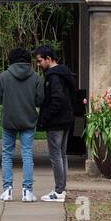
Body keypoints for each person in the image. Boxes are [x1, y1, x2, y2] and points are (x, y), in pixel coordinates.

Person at [0, 46, 44, 202]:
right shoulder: (36, 78)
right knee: (27, 154)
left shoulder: (4, 76)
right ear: (28, 61)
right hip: (28, 120)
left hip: (8, 120)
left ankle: (7, 190)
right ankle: (27, 191)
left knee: (7, 155)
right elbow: (40, 100)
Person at [34, 45, 77, 202]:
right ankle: (61, 189)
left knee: (56, 156)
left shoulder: (53, 77)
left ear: (49, 59)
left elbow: (57, 99)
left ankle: (58, 191)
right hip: (66, 119)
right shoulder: (64, 73)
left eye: (40, 61)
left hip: (56, 122)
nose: (38, 64)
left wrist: (45, 119)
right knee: (62, 155)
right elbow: (71, 96)